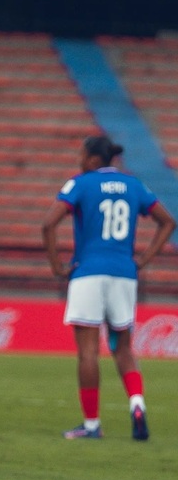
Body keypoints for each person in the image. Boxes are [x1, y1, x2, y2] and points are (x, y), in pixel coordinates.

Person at [41, 136, 175, 441]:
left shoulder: (80, 184)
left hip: (88, 272)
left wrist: (57, 267)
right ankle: (137, 405)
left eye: (81, 155)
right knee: (123, 347)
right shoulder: (134, 185)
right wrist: (143, 260)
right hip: (124, 275)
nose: (79, 160)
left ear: (92, 160)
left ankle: (91, 426)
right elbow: (167, 221)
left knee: (88, 353)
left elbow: (48, 224)